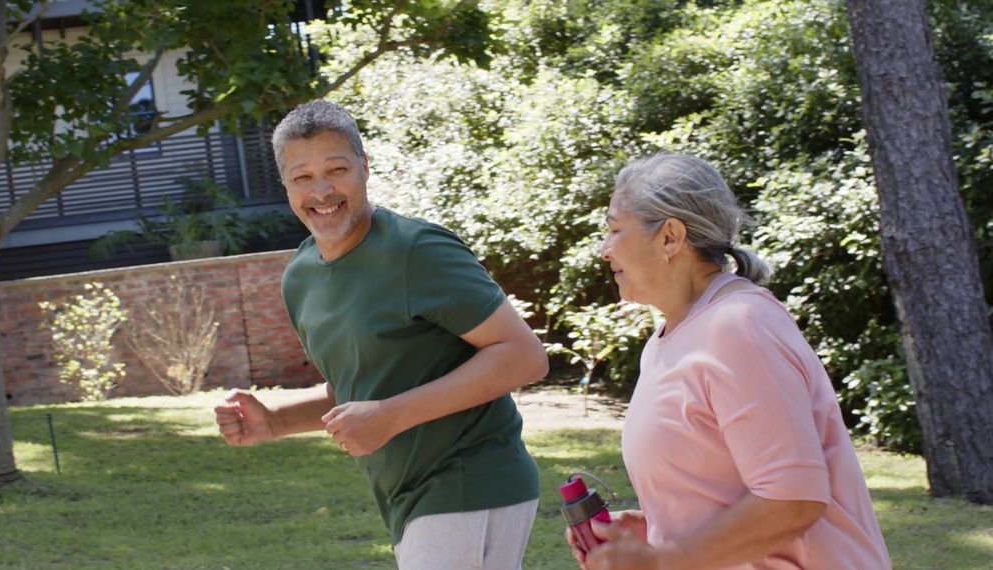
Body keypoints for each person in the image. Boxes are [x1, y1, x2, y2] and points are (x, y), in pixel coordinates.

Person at [214, 100, 547, 569]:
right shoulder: (301, 277)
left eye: (336, 169)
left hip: (471, 480)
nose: (322, 190)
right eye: (303, 177)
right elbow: (356, 389)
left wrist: (391, 416)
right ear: (286, 185)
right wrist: (275, 422)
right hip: (404, 496)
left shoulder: (418, 250)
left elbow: (524, 356)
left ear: (364, 168)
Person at [568, 153, 891, 570]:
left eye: (614, 230)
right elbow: (719, 489)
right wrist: (653, 532)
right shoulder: (671, 339)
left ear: (670, 237)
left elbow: (793, 498)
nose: (604, 251)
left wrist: (663, 561)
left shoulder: (740, 326)